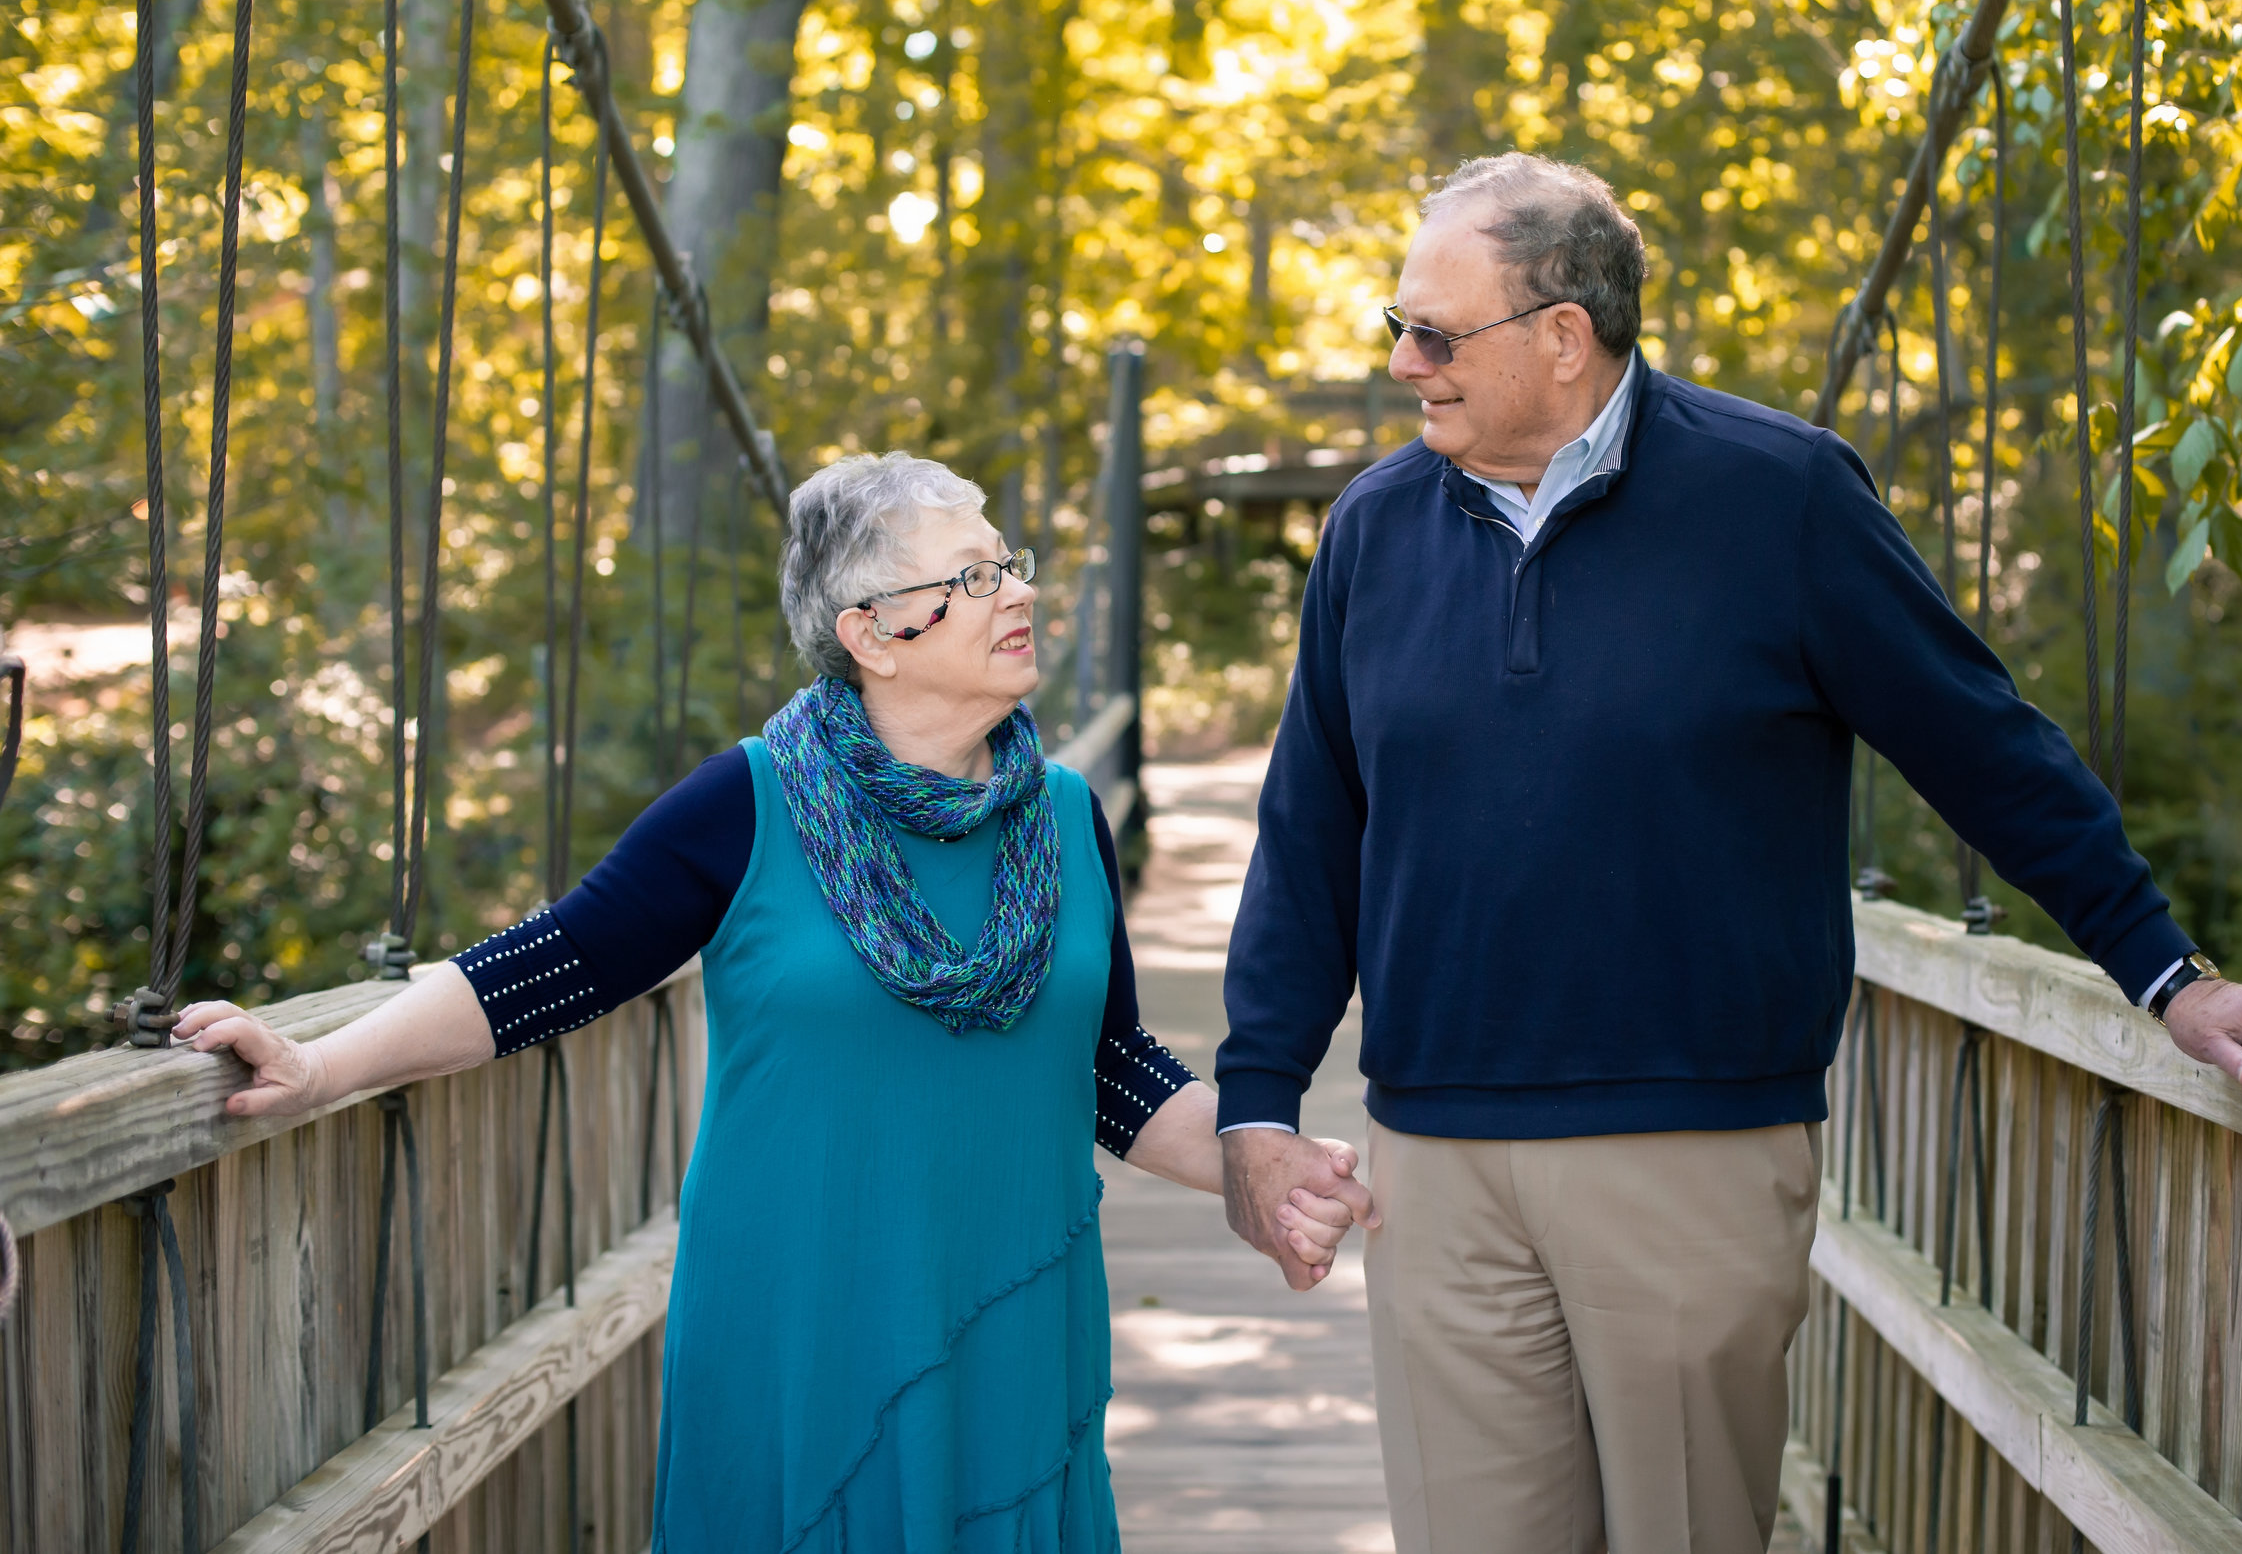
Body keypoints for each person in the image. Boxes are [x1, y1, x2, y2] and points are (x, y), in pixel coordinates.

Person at [1213, 153, 2242, 1554]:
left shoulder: (1780, 495)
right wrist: (1256, 1102)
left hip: (1692, 1149)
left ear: (1564, 335)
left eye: (1435, 331)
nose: (1403, 361)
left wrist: (2167, 971)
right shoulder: (1372, 529)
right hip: (1430, 1156)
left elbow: (1983, 744)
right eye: (1400, 324)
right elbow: (1313, 829)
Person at [175, 452, 1376, 1553]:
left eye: (1009, 563)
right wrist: (323, 1064)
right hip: (800, 1320)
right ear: (873, 633)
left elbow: (1106, 1068)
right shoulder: (747, 801)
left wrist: (1263, 1165)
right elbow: (548, 966)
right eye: (970, 573)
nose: (1016, 592)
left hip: (1013, 1315)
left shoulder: (1065, 814)